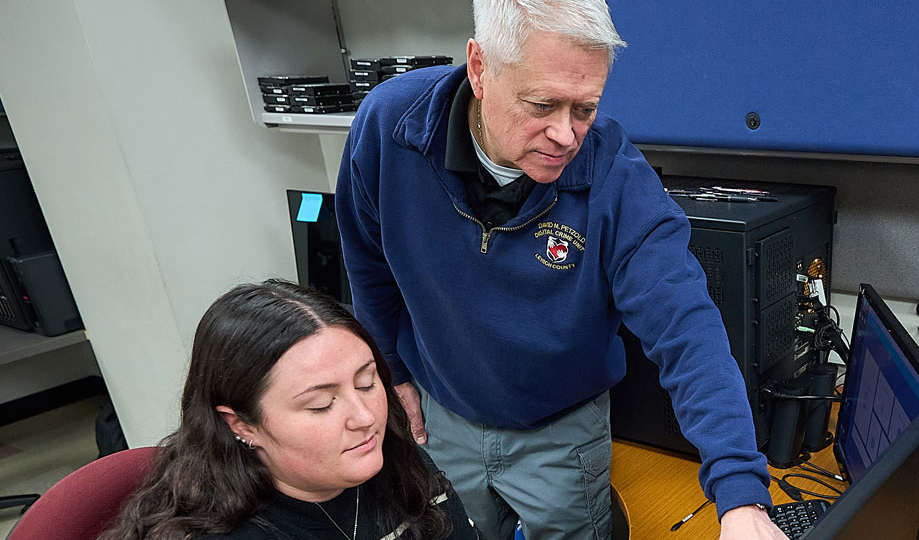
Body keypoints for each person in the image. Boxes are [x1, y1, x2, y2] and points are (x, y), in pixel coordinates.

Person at [334, 1, 786, 539]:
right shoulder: (391, 126)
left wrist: (740, 496)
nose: (566, 135)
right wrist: (391, 368)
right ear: (480, 69)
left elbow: (688, 330)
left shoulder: (617, 182)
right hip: (441, 413)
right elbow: (366, 257)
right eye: (543, 104)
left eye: (585, 109)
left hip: (560, 426)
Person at [101, 280, 479, 540]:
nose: (366, 418)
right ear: (241, 424)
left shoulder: (400, 465)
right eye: (320, 405)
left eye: (367, 383)